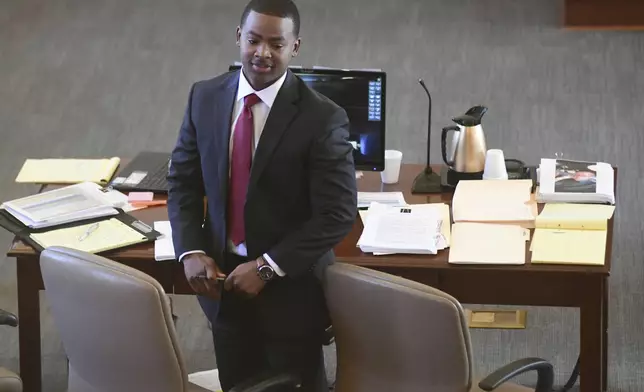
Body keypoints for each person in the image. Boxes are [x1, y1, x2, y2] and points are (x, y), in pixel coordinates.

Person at [167, 0, 358, 390]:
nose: (263, 53)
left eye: (276, 44)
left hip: (291, 295)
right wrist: (190, 249)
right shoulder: (204, 98)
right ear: (239, 37)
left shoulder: (322, 117)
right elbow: (183, 182)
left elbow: (337, 213)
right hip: (224, 290)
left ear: (295, 47)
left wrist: (268, 266)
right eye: (254, 40)